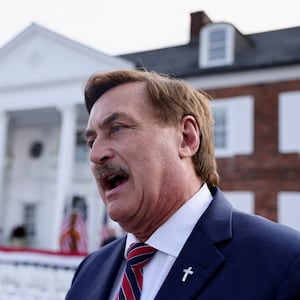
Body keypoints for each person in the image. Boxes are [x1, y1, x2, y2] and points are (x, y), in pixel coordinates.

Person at [66, 69, 300, 300]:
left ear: (187, 138)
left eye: (117, 128)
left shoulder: (284, 262)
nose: (95, 155)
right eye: (91, 141)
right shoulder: (89, 270)